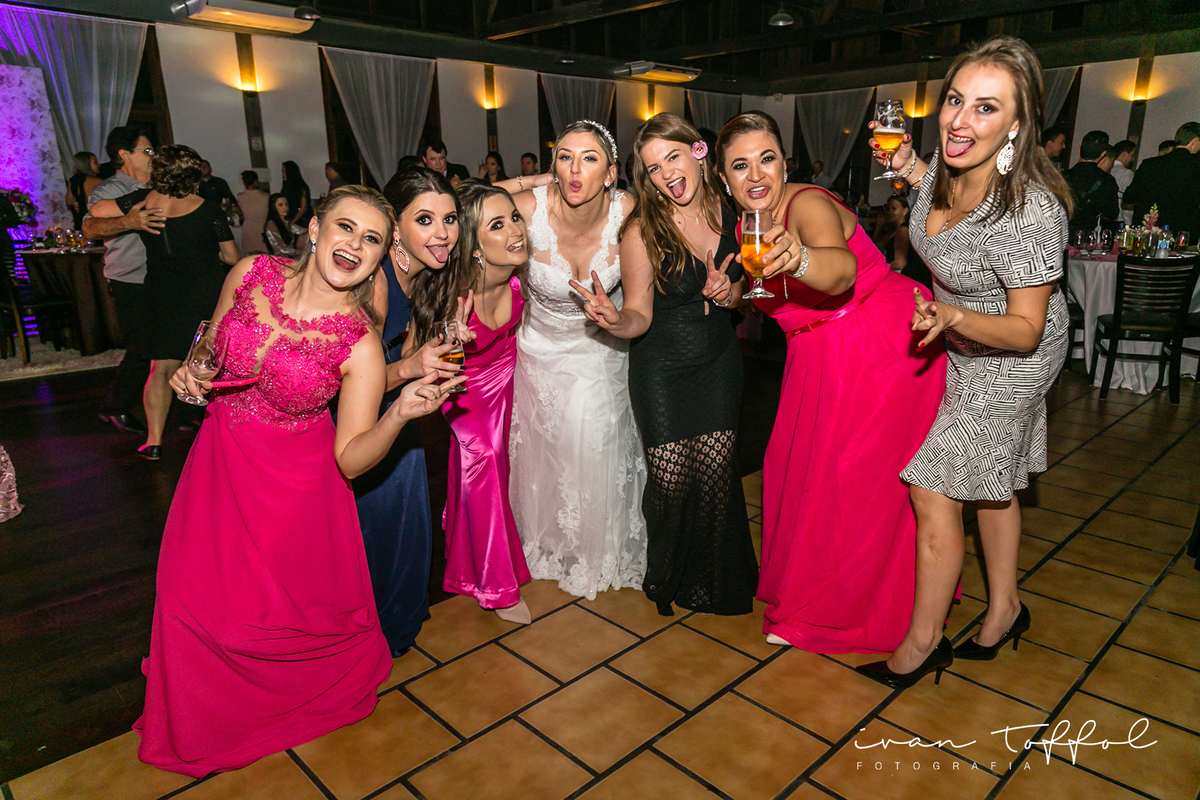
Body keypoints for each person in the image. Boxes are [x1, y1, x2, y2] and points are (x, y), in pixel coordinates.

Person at [136, 186, 458, 778]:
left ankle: (250, 706)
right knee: (185, 597)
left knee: (255, 621)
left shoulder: (359, 342)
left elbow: (352, 459)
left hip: (294, 492)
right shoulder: (248, 273)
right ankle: (197, 703)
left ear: (380, 255)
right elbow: (210, 346)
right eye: (345, 227)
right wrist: (191, 371)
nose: (354, 245)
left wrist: (399, 415)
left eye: (371, 239)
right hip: (217, 464)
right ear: (314, 228)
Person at [858, 36, 1071, 688]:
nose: (959, 120)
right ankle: (1005, 608)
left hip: (1014, 352)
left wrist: (952, 317)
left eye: (986, 108)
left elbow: (1026, 330)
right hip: (960, 337)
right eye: (955, 100)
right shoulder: (948, 173)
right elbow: (931, 192)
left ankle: (924, 643)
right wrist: (905, 165)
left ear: (1018, 125)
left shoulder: (1030, 209)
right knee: (993, 480)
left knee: (933, 487)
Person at [715, 111, 945, 652]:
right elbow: (772, 294)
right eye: (741, 166)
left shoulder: (807, 205)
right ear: (723, 180)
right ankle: (822, 591)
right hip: (816, 352)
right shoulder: (749, 225)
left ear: (784, 163)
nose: (756, 175)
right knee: (803, 472)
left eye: (767, 159)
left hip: (878, 342)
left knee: (850, 480)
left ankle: (837, 609)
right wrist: (736, 294)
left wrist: (799, 260)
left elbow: (839, 271)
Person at [575, 113, 772, 617]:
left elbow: (747, 293)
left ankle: (716, 583)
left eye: (672, 158)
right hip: (660, 364)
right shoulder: (643, 229)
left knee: (716, 474)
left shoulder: (732, 211)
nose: (666, 175)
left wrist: (731, 293)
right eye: (653, 168)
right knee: (670, 479)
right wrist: (614, 320)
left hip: (718, 359)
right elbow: (638, 314)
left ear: (698, 152)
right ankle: (667, 575)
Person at [504, 120, 648, 601]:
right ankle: (548, 545)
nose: (573, 169)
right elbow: (468, 205)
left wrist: (616, 317)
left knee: (593, 443)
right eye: (564, 157)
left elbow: (641, 301)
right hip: (538, 350)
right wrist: (533, 180)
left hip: (600, 348)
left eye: (588, 159)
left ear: (610, 173)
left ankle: (596, 552)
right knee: (545, 454)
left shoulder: (629, 213)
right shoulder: (529, 208)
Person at [358, 166, 470, 655]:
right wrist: (412, 367)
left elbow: (404, 353)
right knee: (376, 524)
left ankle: (389, 624)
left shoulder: (423, 272)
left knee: (403, 517)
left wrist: (438, 344)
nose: (442, 233)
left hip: (392, 405)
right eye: (424, 220)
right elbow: (350, 380)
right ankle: (369, 629)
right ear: (394, 225)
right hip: (357, 413)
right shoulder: (377, 280)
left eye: (449, 219)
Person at [417, 179, 531, 623]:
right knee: (480, 458)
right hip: (462, 386)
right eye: (497, 225)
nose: (515, 230)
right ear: (475, 246)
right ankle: (498, 586)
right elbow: (433, 368)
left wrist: (545, 179)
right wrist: (449, 336)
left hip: (508, 375)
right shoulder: (457, 296)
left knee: (504, 464)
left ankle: (470, 560)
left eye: (514, 218)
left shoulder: (517, 276)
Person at [90, 145, 241, 460]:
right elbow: (231, 257)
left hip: (160, 294)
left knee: (159, 369)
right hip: (202, 293)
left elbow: (98, 210)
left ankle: (154, 441)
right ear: (194, 175)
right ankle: (214, 438)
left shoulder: (144, 200)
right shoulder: (209, 209)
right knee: (206, 366)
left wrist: (132, 219)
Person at [83, 126, 164, 437]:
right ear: (125, 155)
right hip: (131, 278)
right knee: (143, 347)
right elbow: (90, 229)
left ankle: (187, 411)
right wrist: (129, 221)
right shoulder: (109, 190)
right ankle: (114, 406)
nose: (153, 156)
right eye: (147, 150)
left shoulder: (160, 186)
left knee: (174, 343)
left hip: (165, 276)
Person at [1124, 122, 1200, 235]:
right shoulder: (1196, 167)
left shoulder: (1149, 164)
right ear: (1194, 142)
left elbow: (1130, 197)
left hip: (1148, 230)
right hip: (1181, 233)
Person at [1063, 130, 1118, 230]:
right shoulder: (1107, 180)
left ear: (1079, 149)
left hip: (1060, 232)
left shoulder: (1061, 177)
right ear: (1103, 155)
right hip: (1087, 233)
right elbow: (1112, 213)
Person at [872, 195, 911, 272]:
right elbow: (876, 246)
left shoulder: (903, 230)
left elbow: (900, 264)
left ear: (905, 211)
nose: (889, 212)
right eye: (887, 209)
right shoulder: (892, 230)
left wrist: (878, 268)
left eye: (894, 208)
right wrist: (879, 226)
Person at [235, 171, 269, 255]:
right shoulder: (265, 196)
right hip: (263, 227)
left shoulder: (240, 197)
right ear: (256, 181)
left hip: (249, 229)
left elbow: (240, 212)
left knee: (252, 257)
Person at [66, 151, 102, 229]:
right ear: (86, 165)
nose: (99, 164)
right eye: (95, 162)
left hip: (80, 221)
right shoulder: (97, 181)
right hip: (95, 220)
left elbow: (69, 201)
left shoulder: (73, 180)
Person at [197, 160, 239, 224]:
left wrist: (235, 210)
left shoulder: (219, 182)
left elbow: (229, 197)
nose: (203, 169)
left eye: (205, 166)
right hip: (201, 216)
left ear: (210, 168)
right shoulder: (195, 184)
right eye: (201, 167)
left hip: (218, 215)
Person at [263, 193, 305, 257]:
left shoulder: (286, 222)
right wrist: (303, 252)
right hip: (280, 259)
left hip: (289, 257)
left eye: (286, 204)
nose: (285, 207)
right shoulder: (271, 225)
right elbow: (281, 249)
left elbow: (303, 230)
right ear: (273, 207)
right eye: (280, 205)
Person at [1109, 139, 1136, 226]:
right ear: (1124, 155)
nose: (1132, 159)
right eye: (1132, 155)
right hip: (1121, 220)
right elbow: (1127, 202)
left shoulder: (1107, 170)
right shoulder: (1126, 173)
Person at [280, 160, 313, 228]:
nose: (282, 174)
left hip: (302, 219)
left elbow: (303, 207)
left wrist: (292, 222)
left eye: (284, 172)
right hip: (291, 217)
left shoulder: (301, 187)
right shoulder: (286, 185)